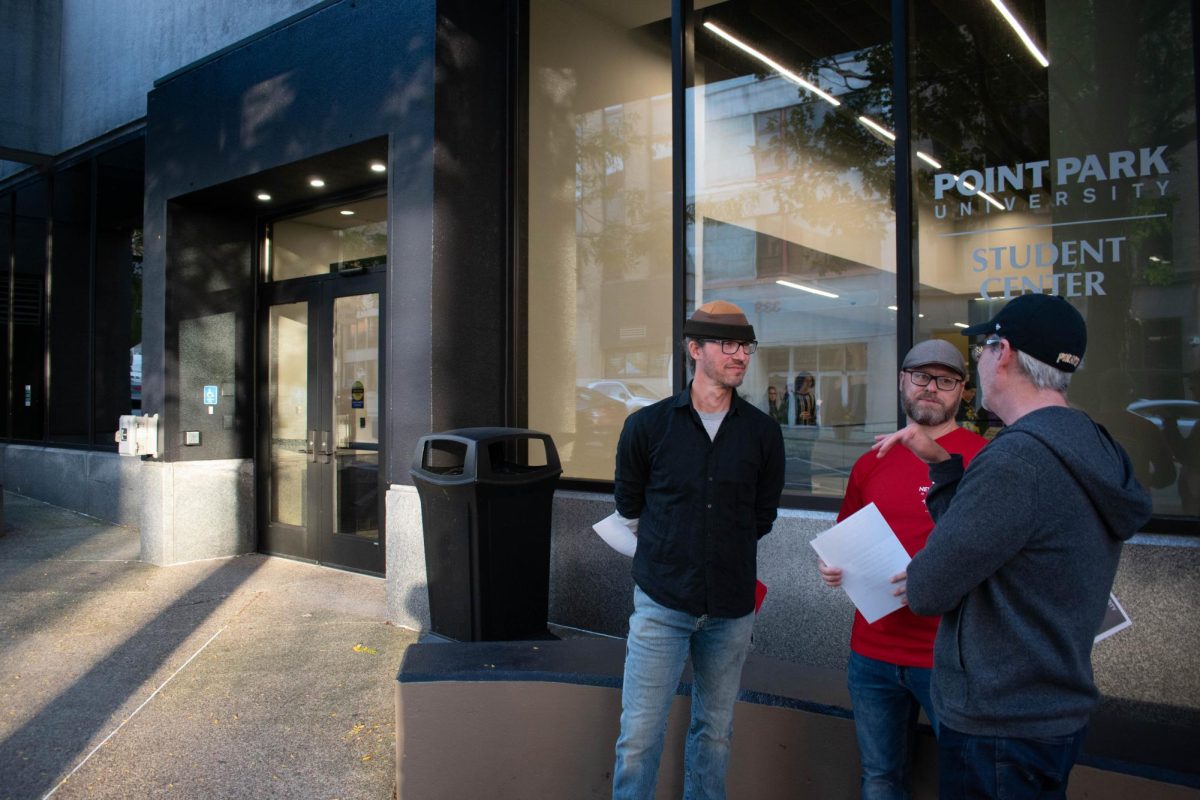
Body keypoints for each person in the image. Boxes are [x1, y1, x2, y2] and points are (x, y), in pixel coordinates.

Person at [874, 293, 1152, 798]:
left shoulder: (1017, 461)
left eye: (982, 348)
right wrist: (943, 466)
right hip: (1052, 711)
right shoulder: (1091, 443)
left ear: (1002, 353)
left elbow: (929, 589)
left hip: (998, 724)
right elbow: (1003, 539)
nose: (979, 362)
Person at [611, 300, 785, 800]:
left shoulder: (762, 433)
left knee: (715, 733)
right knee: (638, 738)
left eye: (746, 345)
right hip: (662, 605)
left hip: (732, 610)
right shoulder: (647, 428)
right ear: (695, 349)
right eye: (727, 344)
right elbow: (630, 504)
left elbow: (761, 517)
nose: (740, 355)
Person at [819, 340, 987, 799]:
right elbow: (843, 536)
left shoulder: (984, 460)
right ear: (901, 382)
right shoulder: (872, 460)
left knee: (967, 781)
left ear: (962, 393)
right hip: (871, 654)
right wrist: (832, 567)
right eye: (920, 377)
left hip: (948, 658)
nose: (931, 388)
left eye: (946, 380)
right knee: (879, 778)